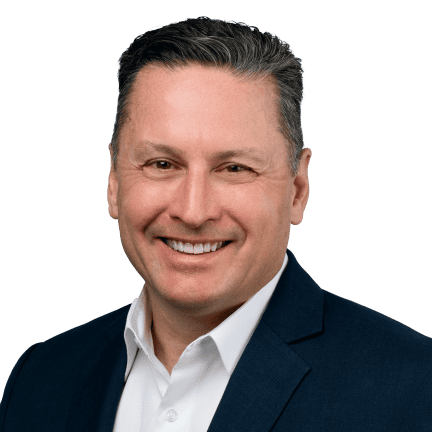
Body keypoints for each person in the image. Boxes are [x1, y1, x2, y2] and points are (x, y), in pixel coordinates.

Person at [1, 16, 431, 432]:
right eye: (162, 163)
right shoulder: (40, 378)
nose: (193, 211)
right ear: (113, 181)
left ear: (297, 190)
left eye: (235, 169)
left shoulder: (414, 389)